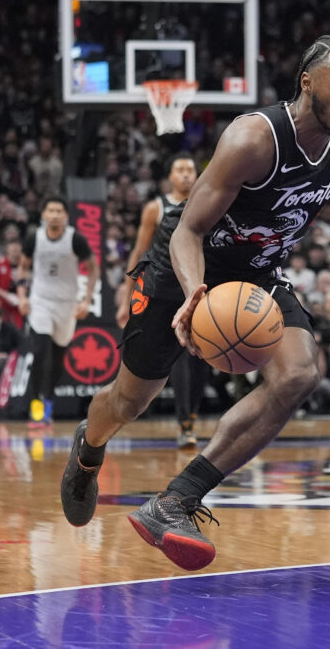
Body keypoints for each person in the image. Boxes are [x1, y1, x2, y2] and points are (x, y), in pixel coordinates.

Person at [59, 34, 330, 570]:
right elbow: (190, 231)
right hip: (186, 265)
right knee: (131, 401)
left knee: (299, 374)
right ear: (306, 82)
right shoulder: (254, 138)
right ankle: (89, 449)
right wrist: (195, 291)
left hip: (256, 272)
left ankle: (176, 500)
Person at [116, 153, 209, 448]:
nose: (185, 174)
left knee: (201, 361)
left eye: (189, 169)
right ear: (169, 177)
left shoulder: (209, 202)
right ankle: (185, 424)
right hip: (165, 292)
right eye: (179, 169)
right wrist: (125, 298)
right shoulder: (155, 208)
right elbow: (140, 253)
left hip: (200, 287)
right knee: (179, 358)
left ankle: (190, 417)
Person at [17, 197, 98, 425]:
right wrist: (22, 297)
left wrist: (86, 300)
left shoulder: (76, 239)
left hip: (67, 302)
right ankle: (35, 404)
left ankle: (49, 401)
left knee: (58, 355)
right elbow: (23, 267)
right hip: (41, 300)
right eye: (50, 210)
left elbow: (93, 270)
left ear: (65, 216)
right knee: (40, 351)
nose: (54, 214)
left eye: (58, 210)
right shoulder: (35, 238)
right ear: (43, 214)